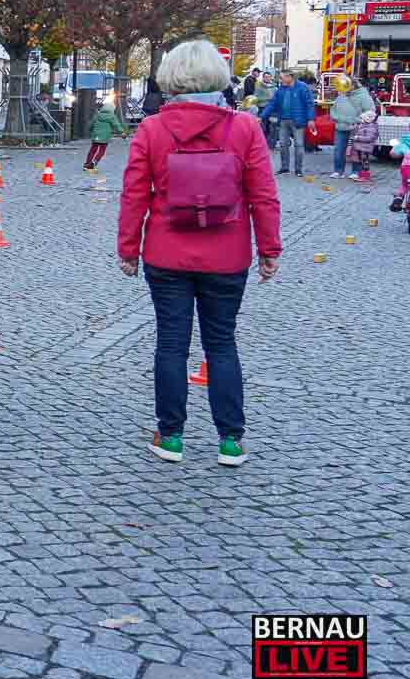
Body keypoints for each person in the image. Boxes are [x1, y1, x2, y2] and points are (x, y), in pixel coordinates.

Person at [117, 40, 280, 469]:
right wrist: (269, 248)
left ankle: (170, 435)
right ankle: (230, 440)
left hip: (167, 253)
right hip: (227, 255)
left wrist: (129, 248)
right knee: (222, 344)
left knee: (171, 345)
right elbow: (263, 195)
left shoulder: (152, 129)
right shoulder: (245, 127)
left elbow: (135, 194)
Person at [260, 70, 313, 175]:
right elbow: (272, 103)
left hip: (297, 120)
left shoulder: (302, 87)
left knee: (299, 144)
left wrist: (310, 119)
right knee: (283, 144)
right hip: (283, 120)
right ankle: (284, 167)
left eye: (282, 77)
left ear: (290, 77)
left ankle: (298, 169)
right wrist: (262, 117)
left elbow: (309, 104)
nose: (280, 80)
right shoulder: (281, 89)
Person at [328, 76, 377, 178]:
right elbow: (333, 110)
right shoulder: (341, 95)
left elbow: (371, 112)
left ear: (353, 85)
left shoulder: (363, 96)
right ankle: (338, 171)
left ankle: (356, 171)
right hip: (340, 127)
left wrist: (356, 120)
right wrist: (335, 117)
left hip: (356, 128)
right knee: (339, 150)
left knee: (357, 150)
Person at [85, 96, 127, 171]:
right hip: (105, 137)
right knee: (102, 150)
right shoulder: (112, 116)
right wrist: (122, 132)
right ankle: (94, 162)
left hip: (96, 136)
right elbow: (116, 125)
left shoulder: (97, 115)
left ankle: (87, 163)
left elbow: (91, 123)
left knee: (92, 150)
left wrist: (90, 130)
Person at [349, 110, 380, 183]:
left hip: (365, 148)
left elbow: (369, 138)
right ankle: (362, 176)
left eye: (362, 118)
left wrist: (358, 137)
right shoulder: (365, 126)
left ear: (368, 119)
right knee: (362, 162)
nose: (361, 120)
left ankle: (365, 177)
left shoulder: (371, 128)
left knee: (364, 163)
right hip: (361, 147)